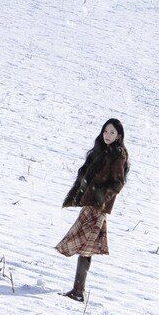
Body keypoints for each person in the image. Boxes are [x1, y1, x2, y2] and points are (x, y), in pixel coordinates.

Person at [54, 118, 130, 302]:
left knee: (85, 246)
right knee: (84, 246)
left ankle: (78, 291)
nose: (108, 135)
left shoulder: (117, 155)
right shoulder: (100, 151)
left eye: (112, 132)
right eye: (105, 131)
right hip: (91, 205)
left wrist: (101, 198)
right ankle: (77, 290)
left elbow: (118, 183)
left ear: (119, 135)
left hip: (97, 207)